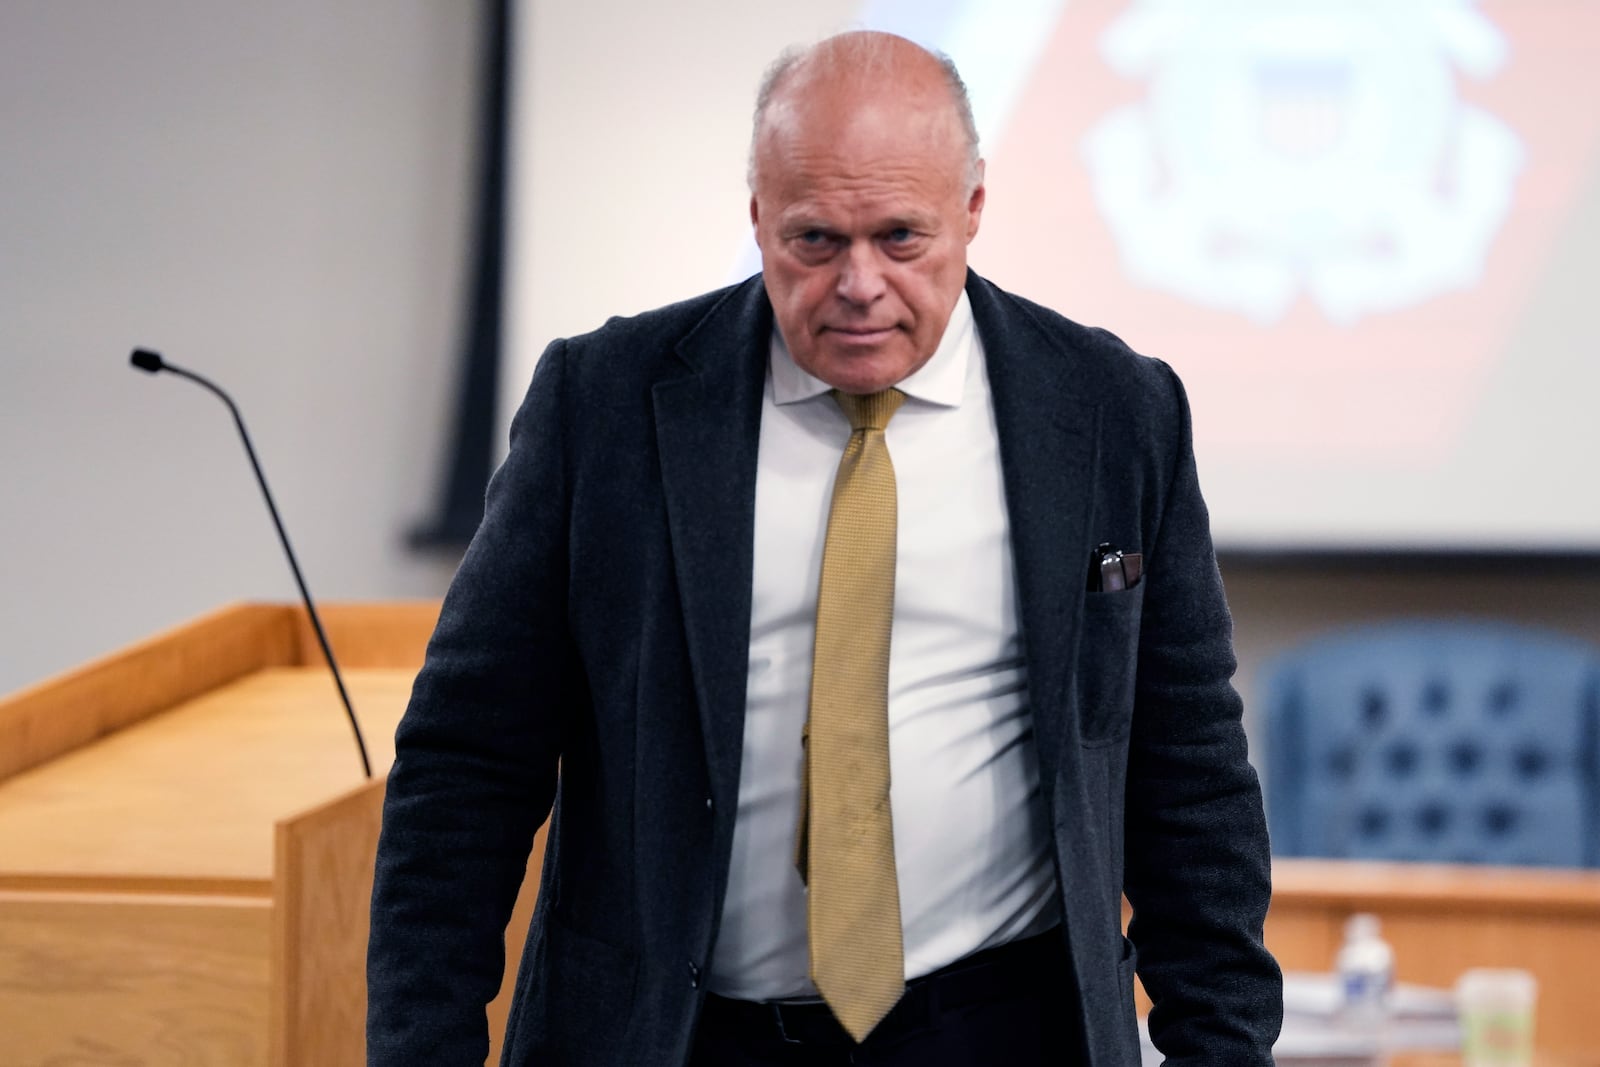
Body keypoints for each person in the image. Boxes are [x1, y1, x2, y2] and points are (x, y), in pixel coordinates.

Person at [368, 30, 1282, 1067]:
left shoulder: (1112, 408)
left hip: (1004, 1025)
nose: (858, 284)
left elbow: (1189, 768)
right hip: (679, 1034)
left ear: (973, 208)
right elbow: (467, 765)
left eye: (900, 237)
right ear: (757, 216)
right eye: (814, 241)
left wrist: (1223, 1046)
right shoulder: (604, 404)